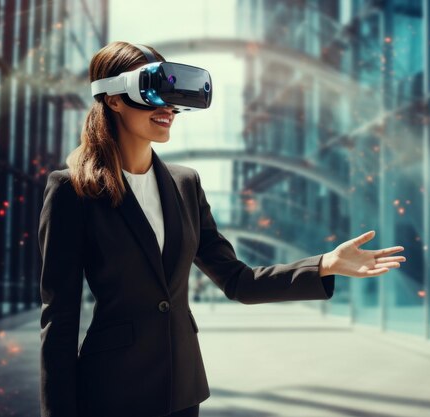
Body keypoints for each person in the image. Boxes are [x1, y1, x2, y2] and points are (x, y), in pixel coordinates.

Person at [38, 41, 406, 417]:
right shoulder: (72, 190)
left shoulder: (185, 183)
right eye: (154, 92)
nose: (169, 109)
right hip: (110, 392)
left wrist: (324, 264)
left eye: (174, 97)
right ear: (115, 98)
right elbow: (60, 316)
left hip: (183, 390)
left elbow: (239, 281)